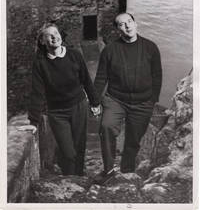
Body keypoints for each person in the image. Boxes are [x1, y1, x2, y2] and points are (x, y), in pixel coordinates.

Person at [92, 12, 162, 185]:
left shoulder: (150, 47)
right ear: (118, 30)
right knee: (106, 127)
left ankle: (127, 169)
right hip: (116, 99)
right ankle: (108, 170)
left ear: (135, 24)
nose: (128, 26)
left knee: (133, 139)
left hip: (143, 102)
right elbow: (101, 78)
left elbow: (157, 76)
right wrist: (95, 101)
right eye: (122, 24)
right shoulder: (110, 50)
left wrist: (152, 100)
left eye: (130, 22)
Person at [28, 22, 99, 176]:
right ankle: (69, 178)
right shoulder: (40, 64)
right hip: (57, 113)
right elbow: (37, 93)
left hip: (79, 106)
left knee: (79, 147)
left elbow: (86, 80)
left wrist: (95, 102)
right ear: (42, 41)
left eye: (56, 33)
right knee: (68, 151)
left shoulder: (74, 55)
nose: (55, 37)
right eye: (49, 35)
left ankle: (79, 177)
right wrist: (33, 121)